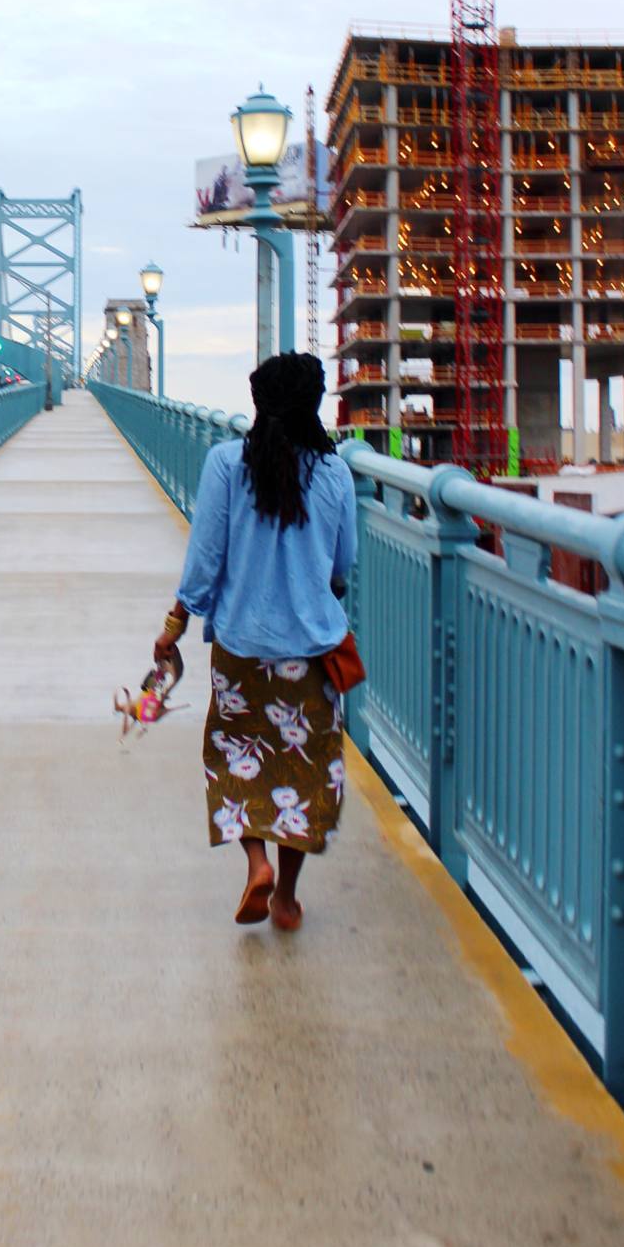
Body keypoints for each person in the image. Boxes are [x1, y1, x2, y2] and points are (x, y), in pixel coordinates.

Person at [153, 352, 357, 932]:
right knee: (304, 770)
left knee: (237, 757)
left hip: (241, 647)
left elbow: (206, 557)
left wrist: (175, 625)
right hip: (313, 652)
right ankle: (287, 898)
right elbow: (344, 562)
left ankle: (256, 865)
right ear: (314, 405)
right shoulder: (335, 473)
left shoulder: (224, 463)